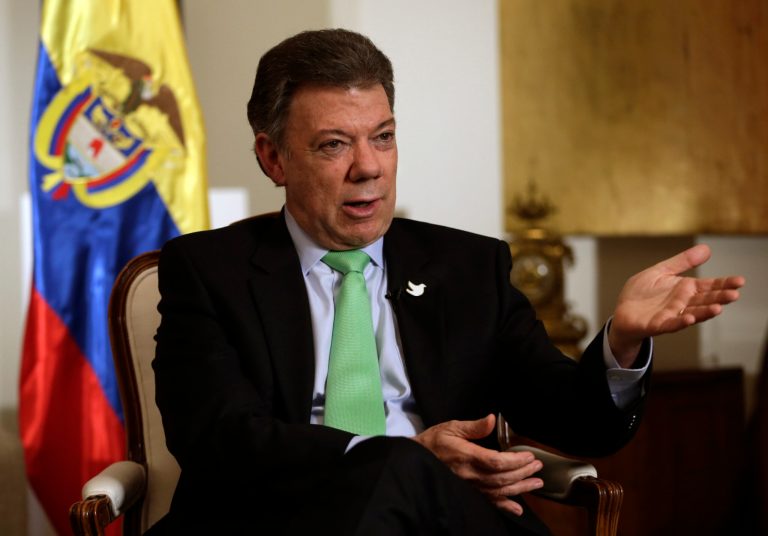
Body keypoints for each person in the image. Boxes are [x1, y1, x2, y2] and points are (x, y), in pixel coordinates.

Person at [150, 29, 744, 535]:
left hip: (448, 519)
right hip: (278, 518)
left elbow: (578, 422)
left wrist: (623, 343)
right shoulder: (209, 272)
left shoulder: (466, 268)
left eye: (382, 136)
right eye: (335, 145)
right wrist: (404, 458)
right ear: (273, 158)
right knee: (401, 471)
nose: (370, 167)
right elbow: (219, 442)